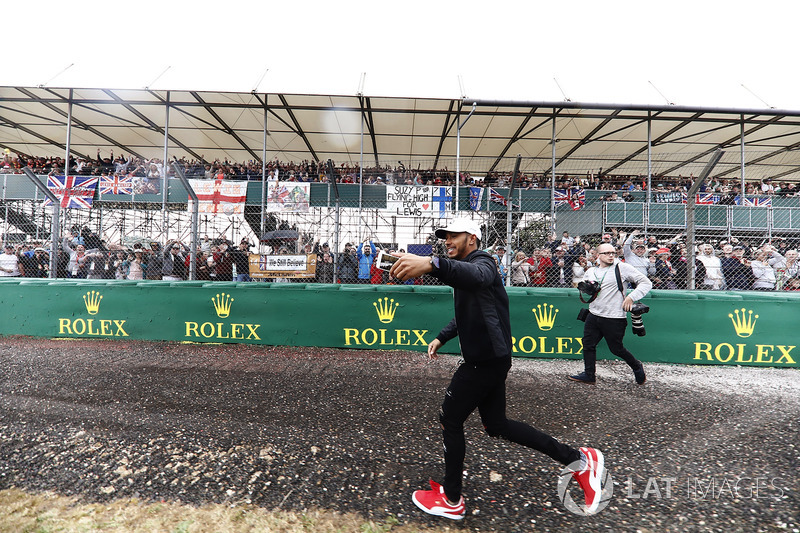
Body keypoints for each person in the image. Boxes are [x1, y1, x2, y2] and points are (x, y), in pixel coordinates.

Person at [388, 218, 605, 520]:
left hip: (484, 362)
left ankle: (451, 500)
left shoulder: (483, 262)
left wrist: (432, 264)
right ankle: (580, 459)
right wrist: (443, 336)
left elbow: (478, 276)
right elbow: (467, 311)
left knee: (450, 419)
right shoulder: (464, 268)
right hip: (491, 359)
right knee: (497, 425)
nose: (448, 240)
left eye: (454, 236)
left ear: (472, 239)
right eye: (445, 237)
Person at [570, 242, 652, 385]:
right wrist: (587, 287)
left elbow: (646, 283)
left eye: (613, 253)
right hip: (594, 314)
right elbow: (585, 287)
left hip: (614, 317)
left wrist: (631, 296)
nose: (611, 255)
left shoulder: (622, 268)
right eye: (607, 253)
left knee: (616, 349)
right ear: (598, 255)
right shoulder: (591, 271)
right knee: (588, 344)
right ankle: (589, 375)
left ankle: (637, 366)